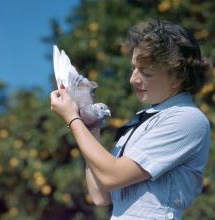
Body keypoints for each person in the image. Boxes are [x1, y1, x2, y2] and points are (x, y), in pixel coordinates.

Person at [50, 18, 212, 220]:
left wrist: (72, 119)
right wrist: (91, 127)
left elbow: (112, 176)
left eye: (146, 72)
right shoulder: (144, 121)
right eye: (134, 68)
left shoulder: (187, 119)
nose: (133, 79)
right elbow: (101, 194)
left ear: (178, 77)